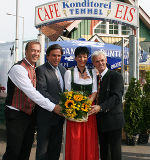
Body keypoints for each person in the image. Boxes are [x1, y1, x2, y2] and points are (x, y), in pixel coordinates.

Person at [3, 41, 61, 160]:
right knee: (13, 152)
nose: (36, 53)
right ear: (26, 51)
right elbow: (32, 93)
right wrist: (53, 107)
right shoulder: (18, 68)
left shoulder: (33, 68)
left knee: (25, 151)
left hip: (29, 115)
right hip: (16, 115)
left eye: (38, 51)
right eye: (33, 50)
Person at [64, 46, 99, 160]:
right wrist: (78, 107)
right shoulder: (69, 72)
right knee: (76, 138)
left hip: (89, 110)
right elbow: (68, 92)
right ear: (75, 58)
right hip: (75, 109)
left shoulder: (93, 72)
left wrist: (87, 104)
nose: (82, 59)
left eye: (84, 56)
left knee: (89, 137)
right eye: (80, 56)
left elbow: (94, 91)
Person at [90, 50, 125, 160]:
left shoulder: (116, 76)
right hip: (100, 121)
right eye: (97, 61)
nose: (100, 63)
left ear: (106, 60)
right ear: (94, 64)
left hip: (114, 121)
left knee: (115, 153)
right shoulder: (95, 79)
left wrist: (100, 107)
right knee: (104, 152)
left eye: (102, 60)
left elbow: (116, 97)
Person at [35, 44, 66, 160]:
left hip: (59, 118)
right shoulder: (41, 70)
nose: (56, 58)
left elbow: (65, 91)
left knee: (55, 149)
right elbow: (42, 91)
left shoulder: (63, 70)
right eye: (53, 55)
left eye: (59, 55)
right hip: (45, 117)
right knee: (43, 151)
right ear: (47, 56)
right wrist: (58, 105)